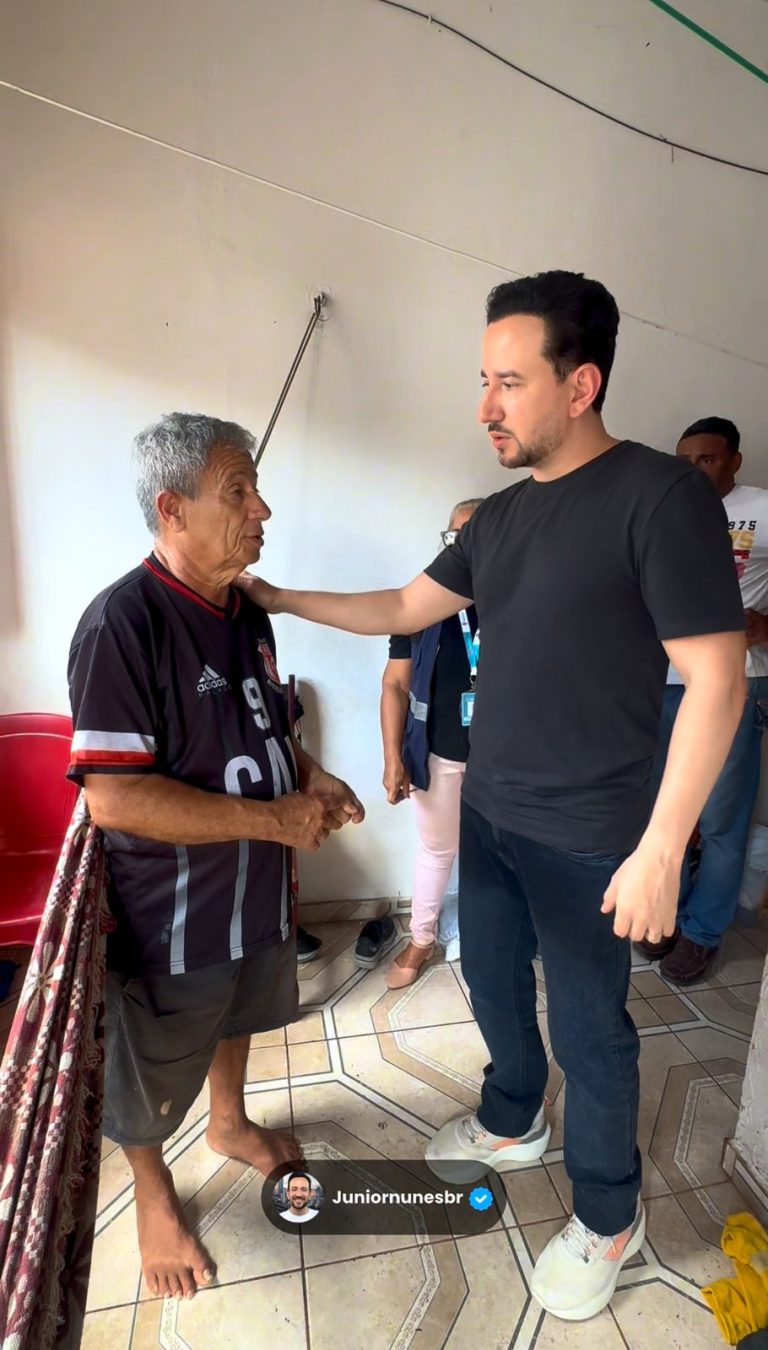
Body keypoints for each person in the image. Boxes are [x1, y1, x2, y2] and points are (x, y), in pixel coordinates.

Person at [238, 271, 746, 1322]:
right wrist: (277, 596)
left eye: (508, 382)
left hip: (592, 832)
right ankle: (515, 1117)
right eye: (484, 380)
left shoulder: (660, 498)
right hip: (495, 811)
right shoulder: (503, 518)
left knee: (593, 1031)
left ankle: (609, 1214)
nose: (485, 406)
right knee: (493, 981)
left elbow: (718, 677)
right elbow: (402, 603)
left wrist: (661, 849)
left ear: (581, 385)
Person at [67, 412, 363, 1301]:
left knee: (242, 1009)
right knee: (149, 1058)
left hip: (257, 891)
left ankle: (229, 1122)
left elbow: (263, 724)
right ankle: (153, 1190)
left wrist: (312, 777)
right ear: (172, 509)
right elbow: (115, 798)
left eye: (255, 488)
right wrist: (273, 820)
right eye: (238, 492)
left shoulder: (246, 611)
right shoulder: (121, 624)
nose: (261, 510)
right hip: (175, 909)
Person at [636, 418, 768, 984]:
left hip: (736, 681)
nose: (693, 470)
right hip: (662, 682)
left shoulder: (762, 509)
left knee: (720, 817)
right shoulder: (664, 508)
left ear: (734, 460)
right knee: (665, 807)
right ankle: (665, 910)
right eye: (684, 459)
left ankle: (703, 931)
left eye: (707, 459)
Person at [380, 497, 483, 986]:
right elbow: (395, 684)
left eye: (476, 535)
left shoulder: (521, 596)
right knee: (437, 851)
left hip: (508, 760)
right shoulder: (419, 604)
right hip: (440, 755)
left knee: (506, 854)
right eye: (455, 536)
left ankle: (496, 934)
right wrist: (392, 757)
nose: (464, 546)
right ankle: (422, 939)